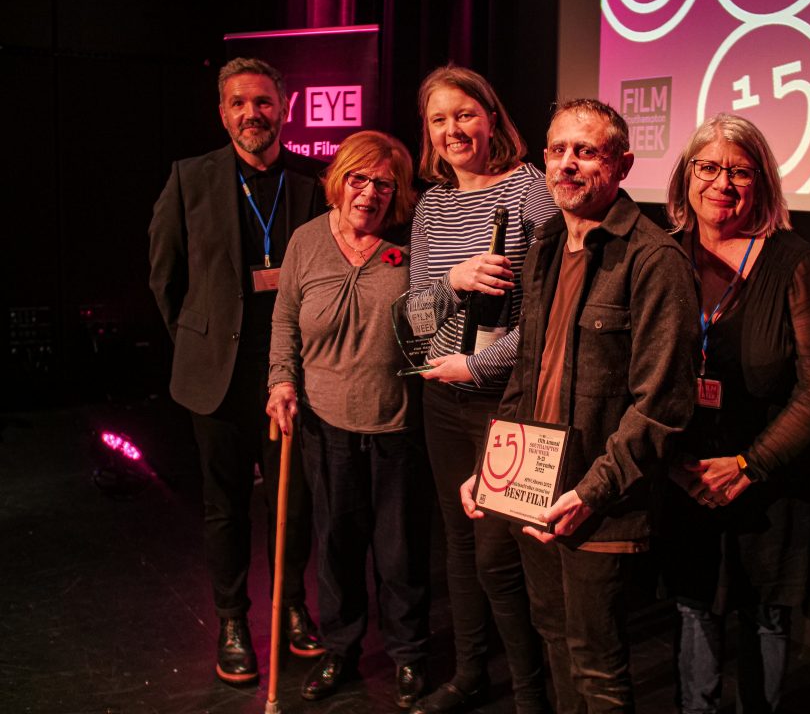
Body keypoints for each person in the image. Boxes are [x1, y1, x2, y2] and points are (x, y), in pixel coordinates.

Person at [462, 98, 699, 713]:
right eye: (558, 150)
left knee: (596, 666)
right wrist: (495, 469)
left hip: (601, 502)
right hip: (535, 489)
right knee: (554, 644)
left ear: (621, 165)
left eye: (586, 152)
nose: (568, 164)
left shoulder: (654, 260)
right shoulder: (544, 244)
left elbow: (662, 406)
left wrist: (592, 491)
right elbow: (525, 375)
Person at [662, 113, 810, 714]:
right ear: (686, 177)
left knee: (764, 615)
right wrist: (668, 462)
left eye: (739, 171)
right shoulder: (663, 257)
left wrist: (749, 464)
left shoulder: (795, 263)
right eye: (707, 167)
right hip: (684, 474)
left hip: (769, 481)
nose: (722, 182)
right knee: (693, 606)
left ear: (763, 182)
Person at [148, 57, 324, 686]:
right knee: (224, 507)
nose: (254, 113)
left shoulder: (313, 184)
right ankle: (230, 620)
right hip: (215, 375)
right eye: (240, 103)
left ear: (286, 108)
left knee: (293, 503)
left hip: (292, 373)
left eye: (265, 102)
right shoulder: (188, 178)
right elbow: (165, 280)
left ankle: (294, 606)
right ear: (222, 112)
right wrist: (199, 343)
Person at [408, 65, 558, 714]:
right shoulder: (433, 205)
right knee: (461, 543)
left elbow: (555, 315)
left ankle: (532, 692)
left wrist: (482, 366)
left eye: (464, 113)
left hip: (509, 398)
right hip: (442, 399)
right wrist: (457, 280)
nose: (452, 130)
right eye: (439, 120)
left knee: (503, 554)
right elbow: (417, 314)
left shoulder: (533, 193)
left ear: (493, 116)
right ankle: (471, 674)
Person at [265, 130, 431, 706]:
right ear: (339, 182)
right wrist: (281, 380)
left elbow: (435, 324)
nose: (369, 193)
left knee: (400, 551)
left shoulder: (414, 242)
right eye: (358, 179)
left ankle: (410, 654)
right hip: (325, 424)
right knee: (335, 546)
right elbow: (284, 320)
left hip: (397, 425)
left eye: (384, 183)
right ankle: (341, 650)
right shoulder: (308, 241)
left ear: (398, 192)